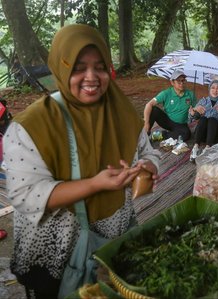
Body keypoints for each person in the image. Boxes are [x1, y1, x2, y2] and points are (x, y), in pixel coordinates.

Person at [3, 24, 162, 298]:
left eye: (100, 66)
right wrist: (95, 185)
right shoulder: (32, 126)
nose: (92, 77)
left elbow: (148, 152)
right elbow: (25, 195)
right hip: (56, 248)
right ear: (61, 67)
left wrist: (147, 168)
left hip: (115, 236)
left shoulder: (120, 111)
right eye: (78, 67)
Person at [143, 69, 196, 141]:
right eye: (178, 81)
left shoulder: (190, 95)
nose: (181, 83)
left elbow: (196, 111)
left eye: (183, 80)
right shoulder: (166, 93)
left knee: (186, 134)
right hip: (167, 120)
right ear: (172, 82)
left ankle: (161, 135)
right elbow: (148, 104)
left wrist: (193, 113)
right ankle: (145, 135)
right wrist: (146, 124)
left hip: (181, 124)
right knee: (154, 110)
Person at [189, 80, 218, 161]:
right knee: (203, 119)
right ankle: (195, 147)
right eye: (213, 88)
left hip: (217, 135)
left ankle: (207, 149)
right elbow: (192, 119)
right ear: (209, 89)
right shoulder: (203, 101)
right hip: (203, 135)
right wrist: (193, 111)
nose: (215, 91)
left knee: (212, 119)